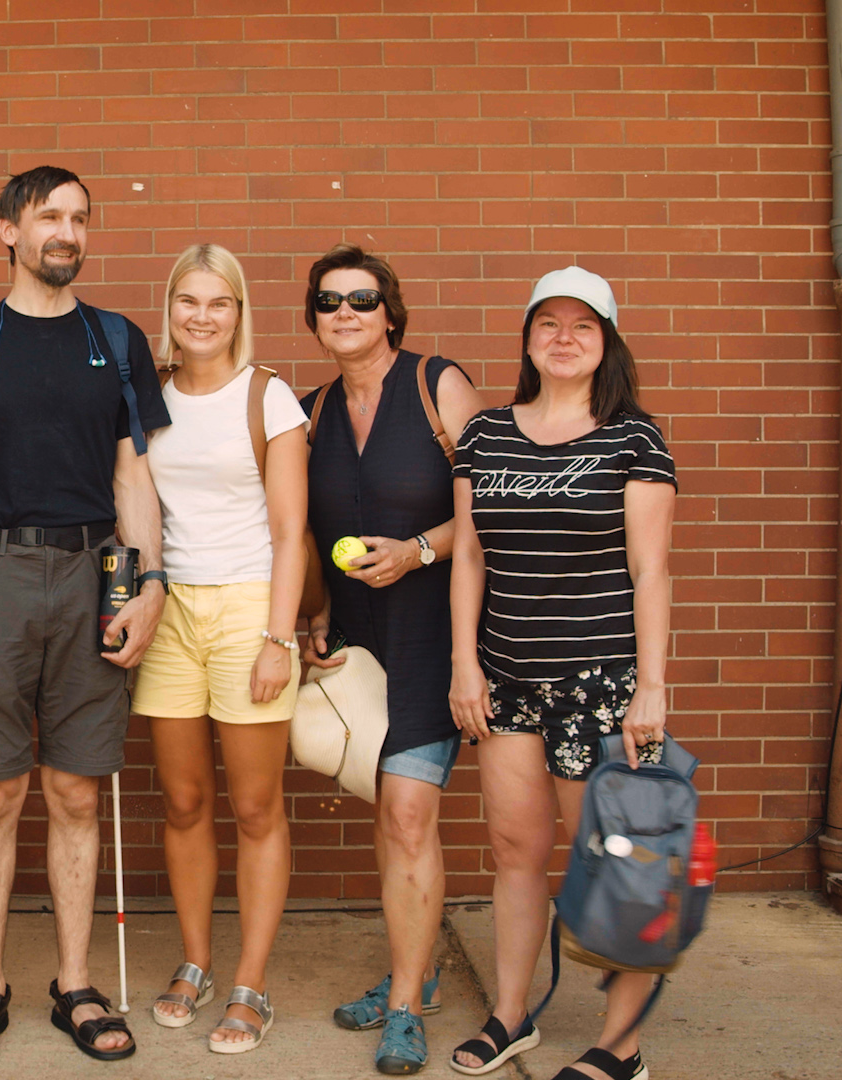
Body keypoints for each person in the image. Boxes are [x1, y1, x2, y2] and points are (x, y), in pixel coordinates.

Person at [0, 166, 170, 1065]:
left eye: (79, 218)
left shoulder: (118, 338)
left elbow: (132, 475)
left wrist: (146, 585)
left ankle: (74, 982)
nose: (67, 231)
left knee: (74, 790)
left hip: (95, 568)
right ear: (7, 232)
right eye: (48, 216)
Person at [446, 266, 676, 1080]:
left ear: (607, 340)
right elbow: (469, 555)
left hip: (600, 684)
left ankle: (622, 1047)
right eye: (549, 322)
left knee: (614, 861)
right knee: (515, 851)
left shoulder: (634, 437)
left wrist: (650, 685)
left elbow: (651, 570)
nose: (565, 336)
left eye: (584, 323)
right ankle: (511, 1016)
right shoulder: (486, 434)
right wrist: (464, 664)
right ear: (529, 337)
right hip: (507, 680)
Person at [299, 244, 484, 1075]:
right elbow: (300, 534)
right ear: (313, 319)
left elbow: (491, 511)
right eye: (330, 301)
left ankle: (406, 1005)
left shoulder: (436, 384)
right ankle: (416, 969)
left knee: (409, 816)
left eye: (362, 299)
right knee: (388, 809)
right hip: (356, 640)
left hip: (431, 633)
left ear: (391, 312)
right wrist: (312, 614)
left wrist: (417, 549)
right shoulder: (309, 413)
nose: (346, 312)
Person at [133, 244, 308, 1054]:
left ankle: (252, 982)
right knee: (184, 803)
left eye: (219, 302)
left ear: (240, 311)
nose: (202, 316)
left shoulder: (269, 399)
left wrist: (279, 637)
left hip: (248, 610)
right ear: (169, 309)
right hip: (172, 611)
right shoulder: (151, 397)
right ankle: (197, 963)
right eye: (188, 301)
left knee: (256, 807)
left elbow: (289, 531)